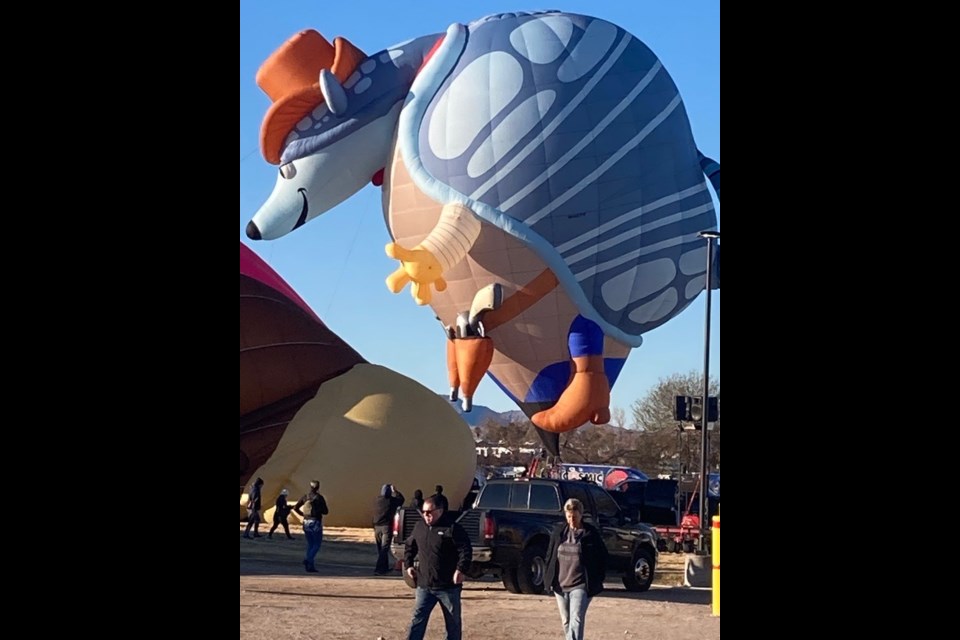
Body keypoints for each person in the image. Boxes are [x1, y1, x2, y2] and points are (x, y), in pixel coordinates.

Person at [403, 495, 472, 640]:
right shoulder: (419, 526)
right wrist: (408, 564)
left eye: (429, 512)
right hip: (424, 585)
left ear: (440, 511)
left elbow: (465, 550)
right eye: (423, 512)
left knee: (453, 623)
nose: (426, 515)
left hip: (448, 587)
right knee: (417, 621)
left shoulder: (452, 528)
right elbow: (410, 545)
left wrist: (461, 569)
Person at [543, 498, 607, 640]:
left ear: (581, 515)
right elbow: (550, 555)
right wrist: (548, 578)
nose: (572, 519)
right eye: (569, 516)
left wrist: (597, 579)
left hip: (580, 585)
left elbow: (602, 556)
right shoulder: (559, 532)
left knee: (576, 619)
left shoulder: (590, 534)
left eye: (575, 516)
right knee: (566, 621)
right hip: (560, 585)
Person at [293, 480, 329, 573]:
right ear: (318, 487)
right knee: (316, 544)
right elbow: (325, 511)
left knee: (310, 544)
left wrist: (303, 515)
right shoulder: (319, 498)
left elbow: (295, 508)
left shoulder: (305, 497)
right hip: (315, 522)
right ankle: (308, 560)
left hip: (306, 522)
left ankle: (310, 566)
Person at [373, 483, 405, 575]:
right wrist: (396, 491)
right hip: (386, 527)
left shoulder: (377, 500)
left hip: (376, 527)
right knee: (384, 548)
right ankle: (379, 569)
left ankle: (384, 567)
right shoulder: (391, 501)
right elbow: (401, 499)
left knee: (381, 549)